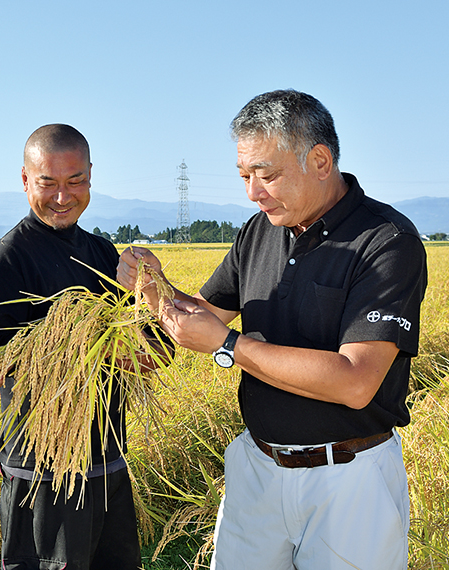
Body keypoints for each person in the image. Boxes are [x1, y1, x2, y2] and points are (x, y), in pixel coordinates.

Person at [117, 89, 427, 570]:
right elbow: (204, 314)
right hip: (257, 470)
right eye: (245, 176)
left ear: (320, 161)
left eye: (268, 174)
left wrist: (230, 348)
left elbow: (356, 381)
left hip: (348, 482)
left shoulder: (387, 242)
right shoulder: (259, 231)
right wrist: (152, 286)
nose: (253, 192)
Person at [0, 124, 142, 570]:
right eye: (48, 183)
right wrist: (87, 347)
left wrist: (147, 293)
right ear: (26, 179)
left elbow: (144, 348)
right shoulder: (7, 259)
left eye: (75, 182)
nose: (62, 197)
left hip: (107, 460)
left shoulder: (104, 254)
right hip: (44, 471)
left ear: (90, 177)